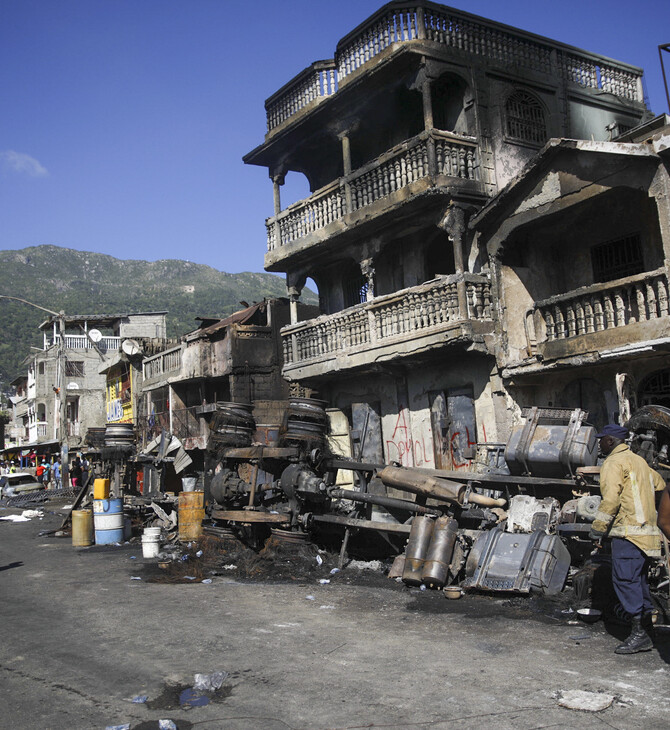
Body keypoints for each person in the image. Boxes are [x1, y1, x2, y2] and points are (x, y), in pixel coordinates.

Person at [589, 424, 666, 654]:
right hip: (647, 535)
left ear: (611, 441)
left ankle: (641, 633)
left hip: (628, 533)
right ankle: (647, 630)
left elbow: (611, 500)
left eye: (602, 439)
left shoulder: (613, 463)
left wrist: (598, 527)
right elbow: (660, 485)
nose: (599, 443)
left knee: (624, 580)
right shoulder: (639, 461)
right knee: (638, 582)